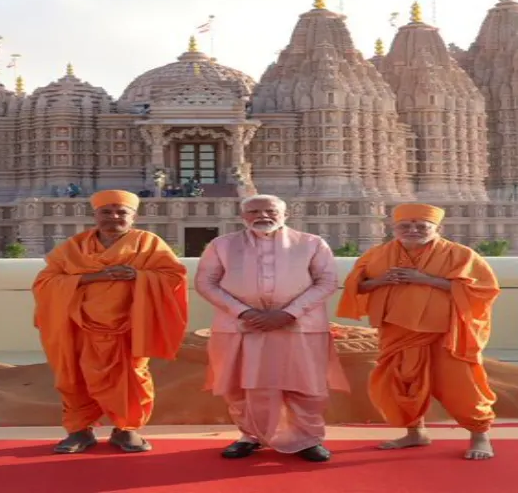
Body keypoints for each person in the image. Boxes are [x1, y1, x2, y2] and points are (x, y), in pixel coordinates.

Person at [336, 203, 501, 460]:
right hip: (397, 331)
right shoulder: (377, 255)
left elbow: (483, 290)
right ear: (393, 228)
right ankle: (415, 433)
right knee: (404, 382)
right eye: (405, 225)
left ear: (437, 228)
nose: (413, 230)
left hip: (444, 333)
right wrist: (381, 281)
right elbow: (357, 286)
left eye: (421, 226)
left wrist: (424, 279)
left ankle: (480, 435)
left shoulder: (460, 255)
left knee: (461, 384)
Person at [32, 189, 189, 454]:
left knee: (132, 376)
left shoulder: (149, 243)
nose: (113, 217)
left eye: (121, 212)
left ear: (133, 217)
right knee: (74, 376)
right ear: (95, 215)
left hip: (130, 325)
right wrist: (95, 277)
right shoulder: (74, 247)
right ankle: (79, 430)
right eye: (106, 212)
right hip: (78, 326)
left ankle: (126, 429)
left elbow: (173, 276)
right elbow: (45, 282)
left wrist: (138, 276)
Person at [195, 194, 347, 462]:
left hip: (299, 327)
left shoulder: (311, 243)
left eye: (270, 211)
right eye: (254, 211)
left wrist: (289, 313)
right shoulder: (222, 245)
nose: (262, 216)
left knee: (305, 386)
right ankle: (250, 436)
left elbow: (326, 282)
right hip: (241, 326)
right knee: (241, 386)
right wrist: (244, 312)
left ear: (285, 214)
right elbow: (206, 283)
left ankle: (307, 438)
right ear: (243, 217)